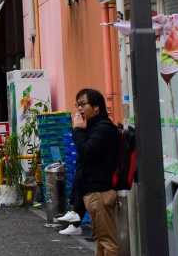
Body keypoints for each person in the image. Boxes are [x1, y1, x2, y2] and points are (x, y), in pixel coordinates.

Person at [71, 89, 120, 255]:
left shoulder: (103, 128)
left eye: (83, 104)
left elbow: (86, 152)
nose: (79, 109)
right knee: (100, 239)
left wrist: (77, 130)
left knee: (107, 241)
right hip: (93, 191)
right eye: (77, 105)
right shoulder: (93, 127)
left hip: (100, 191)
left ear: (97, 107)